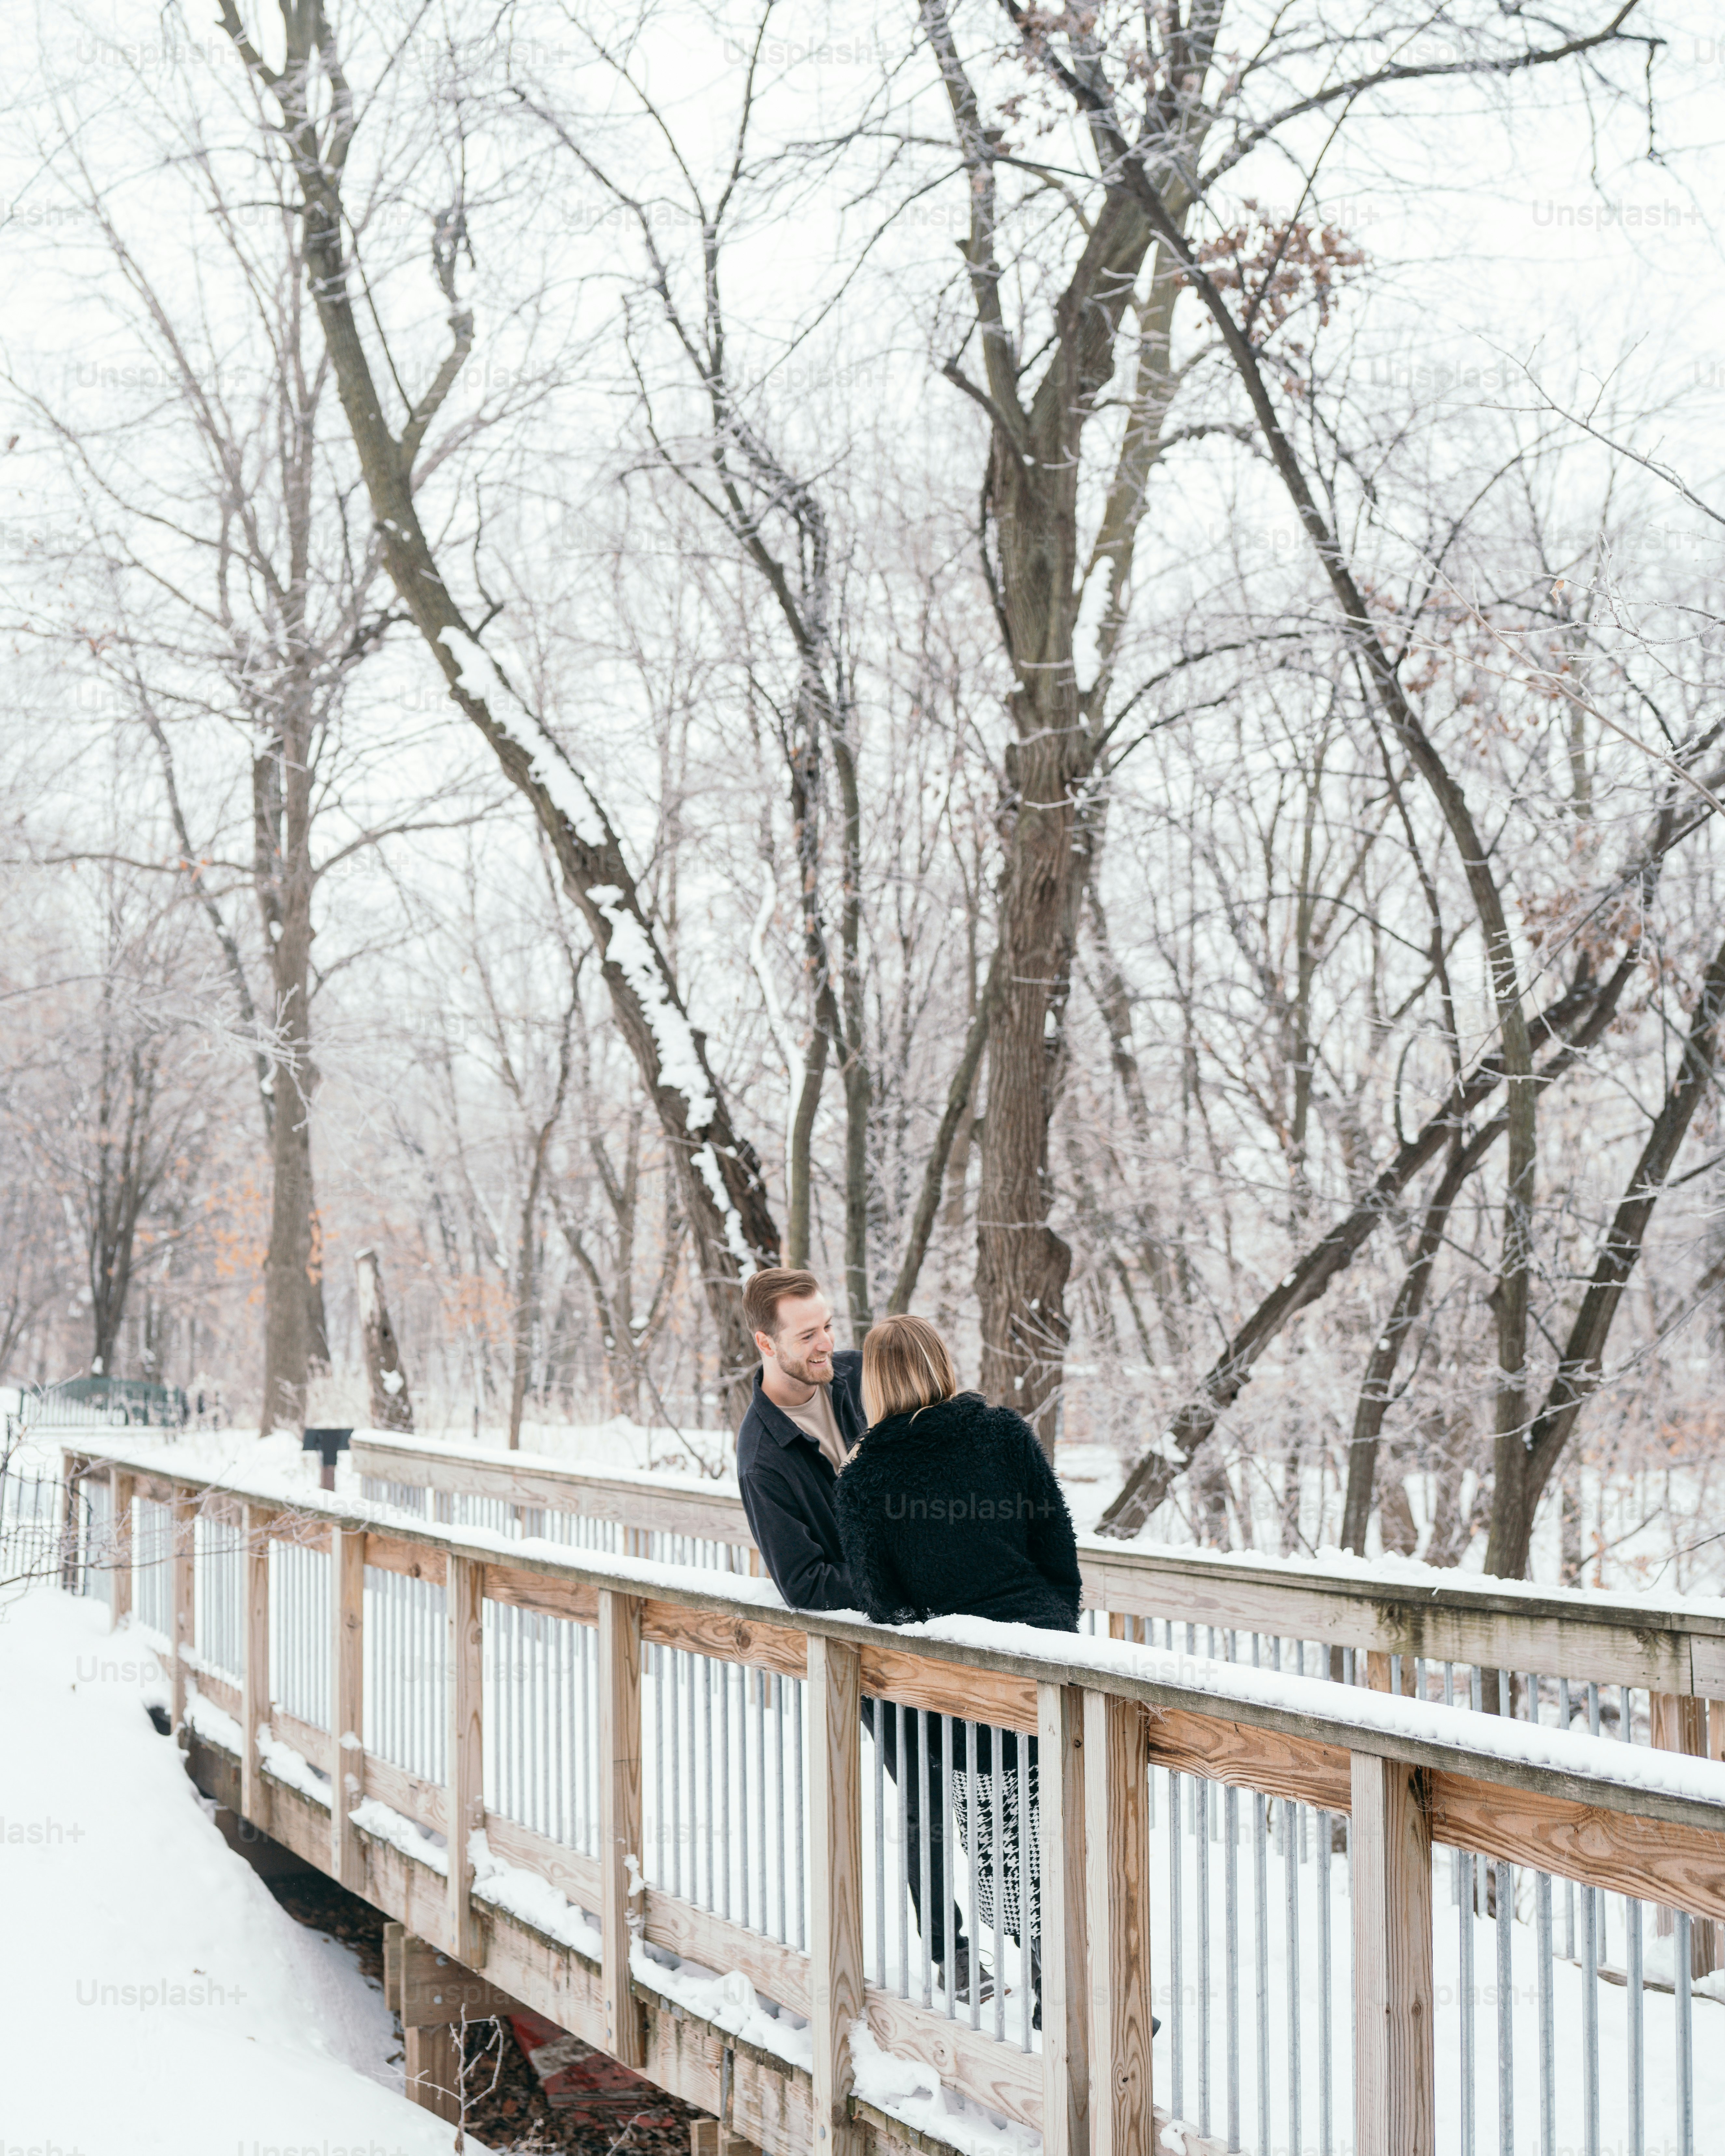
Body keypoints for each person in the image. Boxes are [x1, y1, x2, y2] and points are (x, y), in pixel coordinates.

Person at [833, 1313, 1082, 2016]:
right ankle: (1061, 1975)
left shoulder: (864, 1480)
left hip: (966, 1685)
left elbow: (881, 1600)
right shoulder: (1004, 1434)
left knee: (1001, 1831)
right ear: (944, 1362)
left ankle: (1050, 1976)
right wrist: (1056, 1622)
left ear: (873, 1385)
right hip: (1047, 1656)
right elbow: (1056, 1537)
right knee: (1060, 1822)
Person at [734, 1269, 975, 1985]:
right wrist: (896, 1585)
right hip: (874, 1645)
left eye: (830, 1327)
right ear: (765, 1342)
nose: (829, 1346)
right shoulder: (763, 1459)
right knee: (929, 1788)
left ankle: (1039, 1944)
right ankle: (951, 1947)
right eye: (809, 1336)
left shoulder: (855, 1380)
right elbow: (805, 1583)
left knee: (999, 1774)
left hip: (951, 1613)